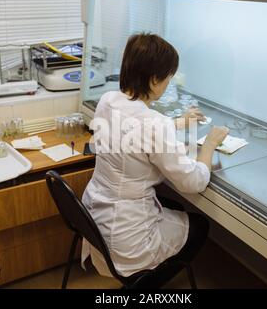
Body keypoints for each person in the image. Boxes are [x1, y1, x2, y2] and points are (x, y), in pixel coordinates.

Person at [81, 33, 229, 281]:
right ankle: (144, 286)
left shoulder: (108, 100)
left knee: (176, 208)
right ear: (154, 79)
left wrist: (179, 122)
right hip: (127, 235)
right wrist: (210, 145)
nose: (168, 84)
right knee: (201, 226)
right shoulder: (155, 124)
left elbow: (133, 128)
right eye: (168, 79)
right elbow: (192, 183)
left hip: (97, 214)